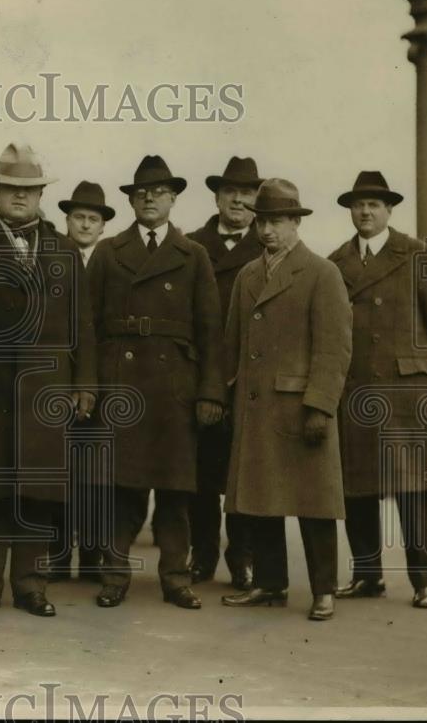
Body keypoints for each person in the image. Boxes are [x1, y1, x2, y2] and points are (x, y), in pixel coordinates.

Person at [0, 143, 96, 618]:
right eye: (11, 188)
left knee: (37, 491)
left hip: (45, 393)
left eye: (29, 190)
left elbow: (82, 325)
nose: (20, 197)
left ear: (41, 194)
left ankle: (31, 585)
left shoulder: (63, 250)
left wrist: (84, 385)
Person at [88, 155, 225, 610]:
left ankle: (175, 579)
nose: (149, 198)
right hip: (121, 385)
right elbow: (86, 329)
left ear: (173, 199)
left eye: (159, 192)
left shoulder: (194, 255)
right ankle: (114, 576)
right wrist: (91, 386)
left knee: (175, 492)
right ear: (129, 199)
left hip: (175, 388)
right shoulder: (108, 252)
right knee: (120, 490)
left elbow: (211, 331)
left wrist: (209, 392)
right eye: (141, 192)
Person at [329, 171, 427, 610]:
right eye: (358, 204)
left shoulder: (415, 254)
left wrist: (422, 374)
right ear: (351, 210)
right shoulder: (336, 262)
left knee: (412, 491)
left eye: (374, 205)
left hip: (408, 394)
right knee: (356, 489)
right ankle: (367, 576)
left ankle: (425, 581)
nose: (365, 212)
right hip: (357, 390)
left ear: (389, 210)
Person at [221, 178, 352, 621]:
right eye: (262, 221)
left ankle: (323, 590)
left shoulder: (321, 273)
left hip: (300, 408)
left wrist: (320, 406)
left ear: (296, 222)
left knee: (314, 503)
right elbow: (233, 344)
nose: (268, 230)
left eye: (277, 221)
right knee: (261, 498)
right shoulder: (248, 275)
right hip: (256, 406)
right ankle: (270, 583)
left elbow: (334, 349)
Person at [184, 156, 264, 591]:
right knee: (201, 473)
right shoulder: (192, 245)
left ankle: (243, 558)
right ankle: (203, 554)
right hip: (201, 375)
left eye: (247, 192)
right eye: (230, 191)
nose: (238, 199)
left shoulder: (268, 246)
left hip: (249, 379)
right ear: (216, 196)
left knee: (243, 472)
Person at [47, 180, 115, 582]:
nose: (86, 225)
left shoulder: (110, 258)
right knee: (58, 471)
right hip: (58, 378)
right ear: (67, 220)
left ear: (103, 226)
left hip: (98, 379)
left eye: (93, 219)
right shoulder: (53, 254)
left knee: (94, 476)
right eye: (79, 217)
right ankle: (57, 557)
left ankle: (91, 559)